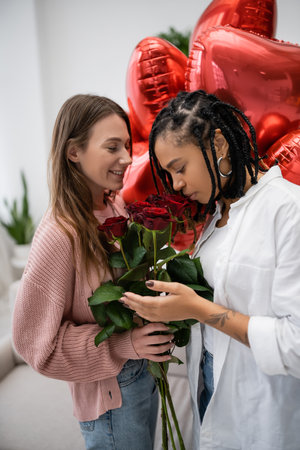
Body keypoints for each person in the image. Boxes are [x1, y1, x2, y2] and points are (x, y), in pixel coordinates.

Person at [120, 90, 300, 450]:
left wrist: (197, 309)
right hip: (210, 390)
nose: (177, 185)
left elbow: (295, 346)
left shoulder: (288, 210)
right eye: (168, 175)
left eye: (180, 168)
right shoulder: (220, 215)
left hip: (263, 407)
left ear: (218, 143)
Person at [12, 94, 175, 450]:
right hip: (111, 395)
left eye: (127, 146)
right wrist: (123, 344)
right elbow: (34, 344)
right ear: (74, 152)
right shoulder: (60, 234)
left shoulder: (112, 205)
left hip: (143, 373)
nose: (127, 158)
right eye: (112, 146)